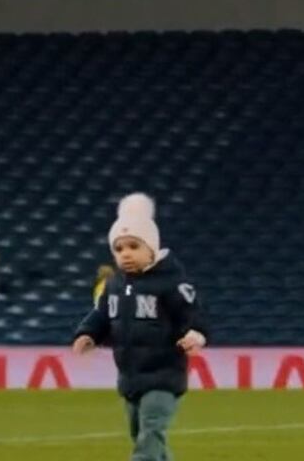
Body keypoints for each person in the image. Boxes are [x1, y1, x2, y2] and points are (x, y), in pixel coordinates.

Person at [72, 193, 208, 461]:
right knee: (141, 434)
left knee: (150, 433)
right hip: (130, 377)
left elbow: (192, 311)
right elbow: (101, 315)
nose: (126, 254)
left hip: (164, 375)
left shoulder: (171, 283)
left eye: (134, 246)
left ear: (152, 248)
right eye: (119, 249)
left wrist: (196, 334)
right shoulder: (114, 286)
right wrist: (87, 333)